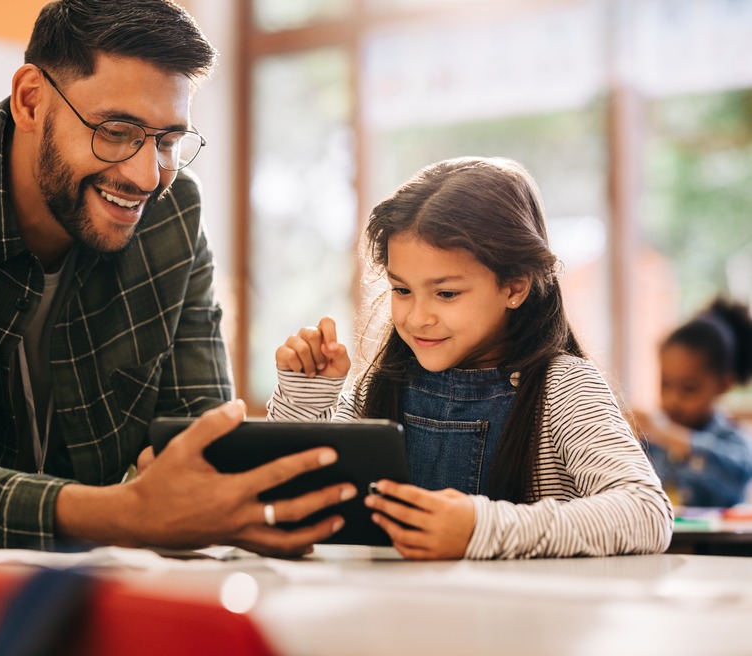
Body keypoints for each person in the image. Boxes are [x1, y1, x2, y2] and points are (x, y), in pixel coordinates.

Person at [0, 0, 352, 554]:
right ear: (31, 98)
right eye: (118, 130)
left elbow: (202, 453)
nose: (147, 175)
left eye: (169, 141)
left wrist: (230, 503)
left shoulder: (171, 216)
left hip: (88, 593)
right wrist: (124, 514)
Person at [268, 156, 673, 560]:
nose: (416, 318)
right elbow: (289, 508)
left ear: (514, 286)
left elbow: (646, 513)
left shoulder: (563, 388)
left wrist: (480, 529)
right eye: (402, 290)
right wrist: (306, 398)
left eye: (446, 294)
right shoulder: (380, 386)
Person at [633, 297, 752, 508]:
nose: (672, 399)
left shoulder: (734, 442)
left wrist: (670, 436)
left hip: (719, 541)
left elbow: (738, 475)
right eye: (665, 384)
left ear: (723, 386)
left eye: (688, 389)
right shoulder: (650, 442)